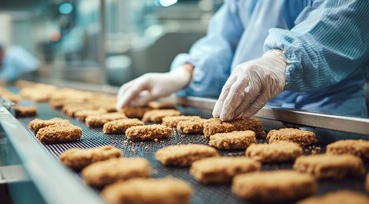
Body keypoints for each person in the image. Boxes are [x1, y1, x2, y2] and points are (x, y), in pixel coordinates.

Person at [116, 0, 369, 120]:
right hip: (254, 117)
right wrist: (184, 73)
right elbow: (224, 39)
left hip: (327, 121)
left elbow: (343, 18)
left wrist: (281, 61)